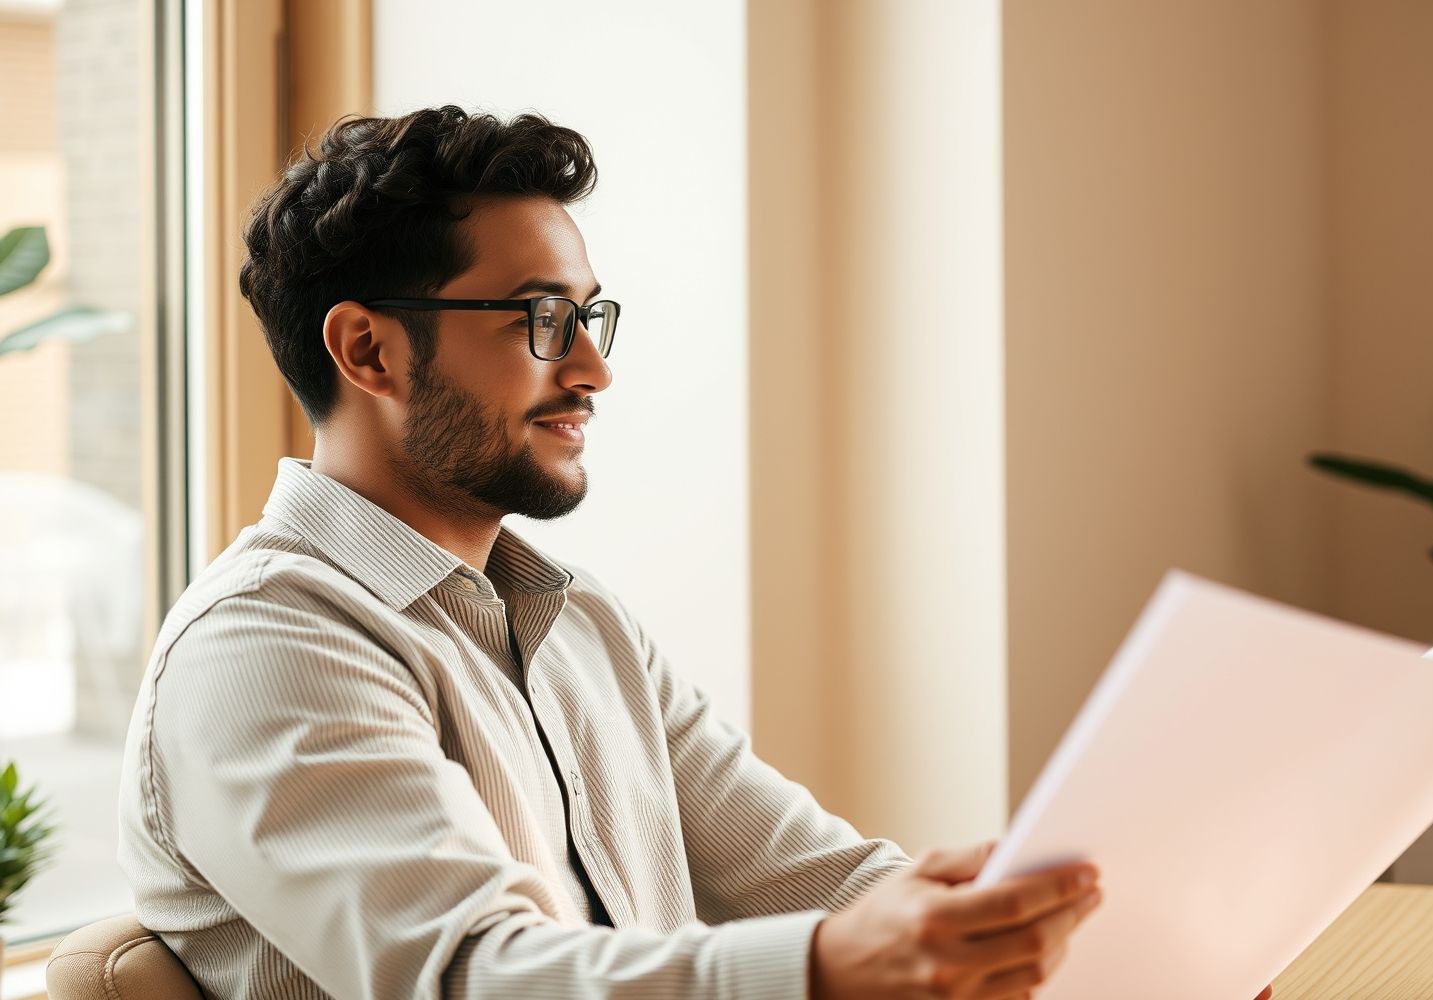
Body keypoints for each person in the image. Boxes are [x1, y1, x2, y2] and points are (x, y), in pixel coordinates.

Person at [118, 106, 1263, 1000]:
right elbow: (473, 976)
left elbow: (827, 881)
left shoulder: (581, 623)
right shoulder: (267, 647)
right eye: (538, 319)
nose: (591, 370)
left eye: (588, 317)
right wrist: (827, 967)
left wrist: (1091, 939)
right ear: (368, 348)